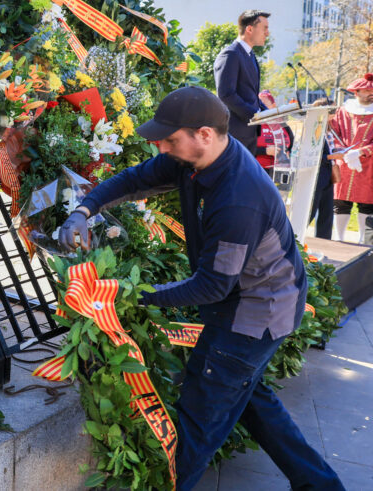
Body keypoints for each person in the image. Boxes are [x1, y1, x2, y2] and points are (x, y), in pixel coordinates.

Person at [58, 87, 343, 491]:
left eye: (170, 139)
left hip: (255, 313)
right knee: (250, 399)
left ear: (205, 134)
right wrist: (83, 212)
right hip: (251, 300)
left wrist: (128, 296)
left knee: (198, 415)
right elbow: (136, 179)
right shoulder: (190, 159)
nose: (161, 146)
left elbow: (211, 286)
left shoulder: (238, 197)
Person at [214, 10, 270, 155]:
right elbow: (226, 94)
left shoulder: (251, 55)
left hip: (250, 133)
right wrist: (254, 114)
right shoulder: (230, 54)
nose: (267, 33)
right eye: (264, 28)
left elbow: (250, 95)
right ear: (249, 29)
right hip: (234, 133)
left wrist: (270, 113)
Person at [331, 73, 373, 243]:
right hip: (344, 163)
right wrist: (343, 152)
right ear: (357, 92)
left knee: (367, 203)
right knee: (341, 202)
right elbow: (333, 133)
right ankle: (339, 239)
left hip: (369, 165)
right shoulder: (343, 111)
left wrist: (362, 151)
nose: (372, 93)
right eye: (368, 90)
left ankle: (364, 242)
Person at [255, 90, 292, 173]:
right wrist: (265, 151)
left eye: (264, 104)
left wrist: (287, 153)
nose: (261, 107)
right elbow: (245, 148)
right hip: (258, 171)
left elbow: (290, 146)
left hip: (281, 171)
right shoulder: (254, 125)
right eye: (259, 103)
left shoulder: (282, 125)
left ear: (274, 105)